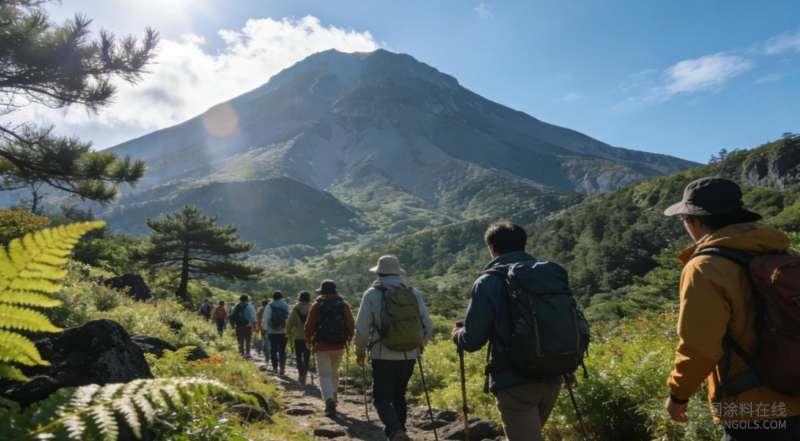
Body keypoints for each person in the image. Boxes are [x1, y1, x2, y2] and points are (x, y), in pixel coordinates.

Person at [662, 177, 800, 441]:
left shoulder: (705, 267)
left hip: (754, 410)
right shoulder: (783, 255)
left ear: (696, 221)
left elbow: (700, 347)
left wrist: (677, 396)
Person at [450, 221, 567, 441]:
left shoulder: (488, 281)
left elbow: (473, 340)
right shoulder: (549, 274)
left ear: (492, 249)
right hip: (554, 373)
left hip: (515, 380)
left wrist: (458, 335)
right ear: (523, 244)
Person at [355, 255, 433, 441]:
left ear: (379, 273)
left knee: (381, 398)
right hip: (409, 354)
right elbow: (428, 326)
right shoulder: (413, 293)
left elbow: (362, 329)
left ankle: (396, 431)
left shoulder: (371, 294)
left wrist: (360, 352)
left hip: (382, 353)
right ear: (398, 272)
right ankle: (400, 430)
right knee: (399, 395)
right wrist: (420, 344)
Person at [305, 280, 355, 417]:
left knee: (324, 374)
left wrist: (308, 340)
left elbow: (309, 325)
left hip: (321, 345)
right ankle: (334, 395)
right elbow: (351, 324)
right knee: (334, 372)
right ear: (335, 291)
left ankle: (329, 400)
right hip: (339, 345)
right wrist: (350, 337)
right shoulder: (343, 305)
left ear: (322, 292)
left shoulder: (317, 305)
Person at [287, 291, 312, 384]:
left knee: (298, 356)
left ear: (300, 297)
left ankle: (301, 375)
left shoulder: (296, 308)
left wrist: (288, 332)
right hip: (309, 337)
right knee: (307, 356)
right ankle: (305, 373)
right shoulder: (312, 307)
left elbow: (290, 322)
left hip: (298, 336)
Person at [263, 291, 290, 374]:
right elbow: (289, 318)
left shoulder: (269, 306)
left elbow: (266, 319)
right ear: (282, 297)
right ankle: (282, 368)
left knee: (273, 349)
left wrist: (265, 330)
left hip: (272, 331)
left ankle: (275, 368)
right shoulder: (286, 305)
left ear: (273, 297)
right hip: (283, 331)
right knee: (282, 350)